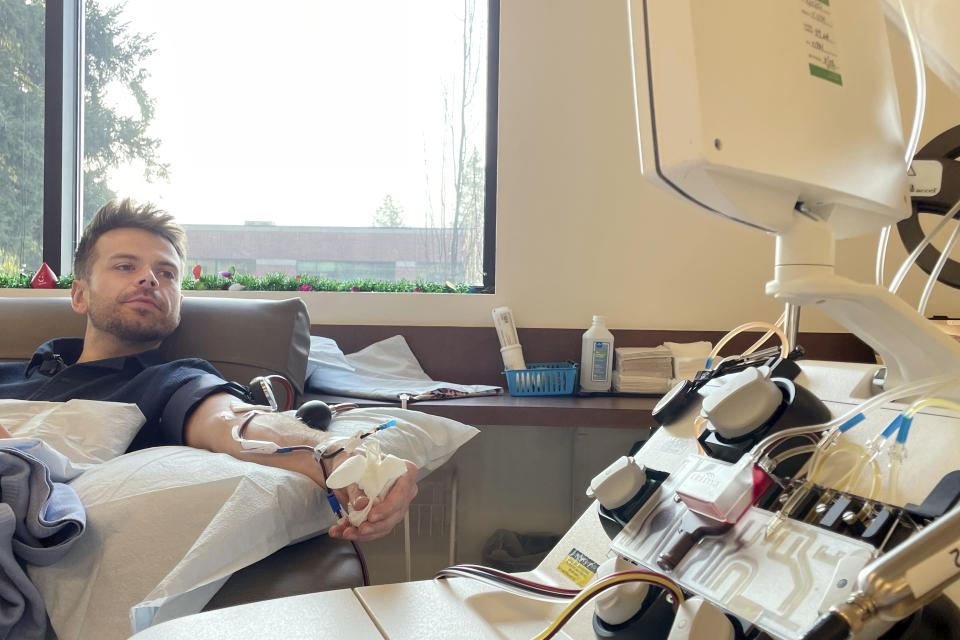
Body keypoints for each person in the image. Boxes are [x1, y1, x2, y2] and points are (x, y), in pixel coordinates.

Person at [0, 199, 417, 542]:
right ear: (79, 294)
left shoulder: (170, 382)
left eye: (166, 273)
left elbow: (233, 423)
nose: (149, 279)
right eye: (125, 266)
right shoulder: (14, 374)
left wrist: (340, 456)